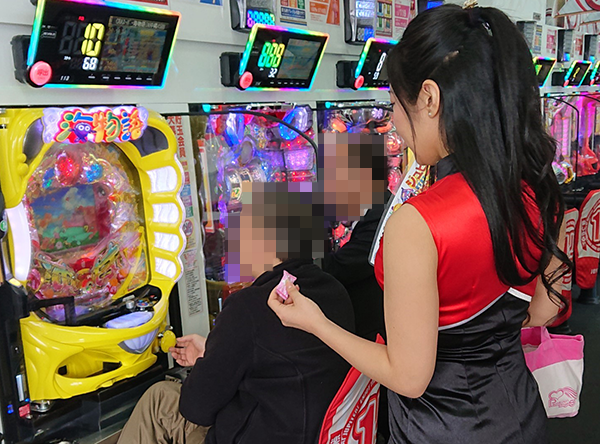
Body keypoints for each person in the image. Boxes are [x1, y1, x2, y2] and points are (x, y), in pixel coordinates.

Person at [268, 4, 572, 444]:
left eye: (395, 104)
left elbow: (409, 377)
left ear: (429, 98)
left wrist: (316, 322)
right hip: (520, 411)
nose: (394, 121)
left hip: (444, 427)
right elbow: (544, 310)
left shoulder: (418, 222)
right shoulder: (536, 187)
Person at [117, 182, 355, 444]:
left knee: (158, 399)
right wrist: (213, 352)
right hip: (319, 432)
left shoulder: (249, 306)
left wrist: (209, 362)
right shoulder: (334, 290)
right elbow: (280, 360)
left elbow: (196, 408)